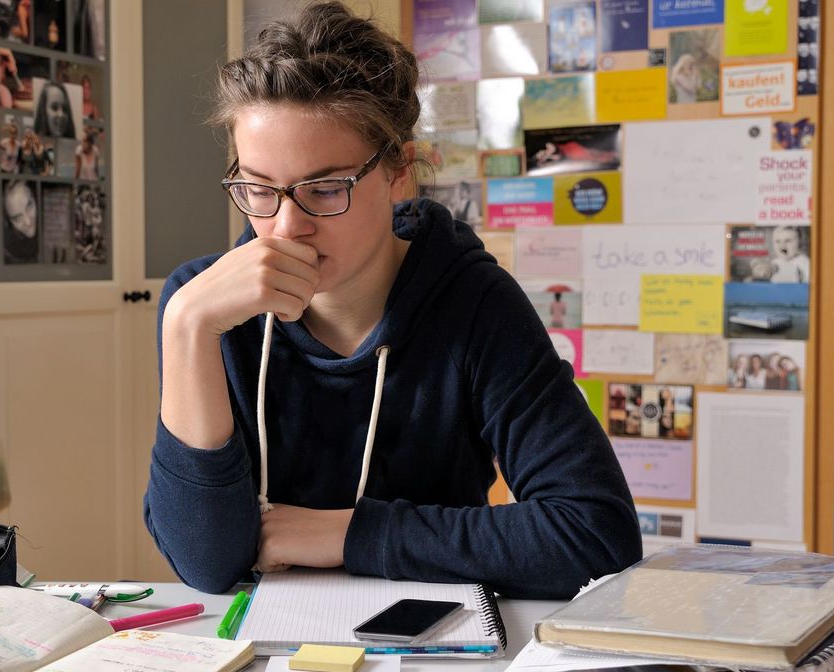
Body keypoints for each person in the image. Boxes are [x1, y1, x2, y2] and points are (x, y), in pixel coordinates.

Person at [144, 2, 640, 600]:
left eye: (325, 189)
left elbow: (597, 534)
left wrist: (353, 534)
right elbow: (207, 562)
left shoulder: (473, 302)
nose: (284, 227)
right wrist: (185, 327)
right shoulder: (204, 308)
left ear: (399, 171)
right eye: (256, 189)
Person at [2, 180, 38, 264]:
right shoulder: (9, 257)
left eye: (29, 206)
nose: (28, 222)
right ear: (9, 222)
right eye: (17, 218)